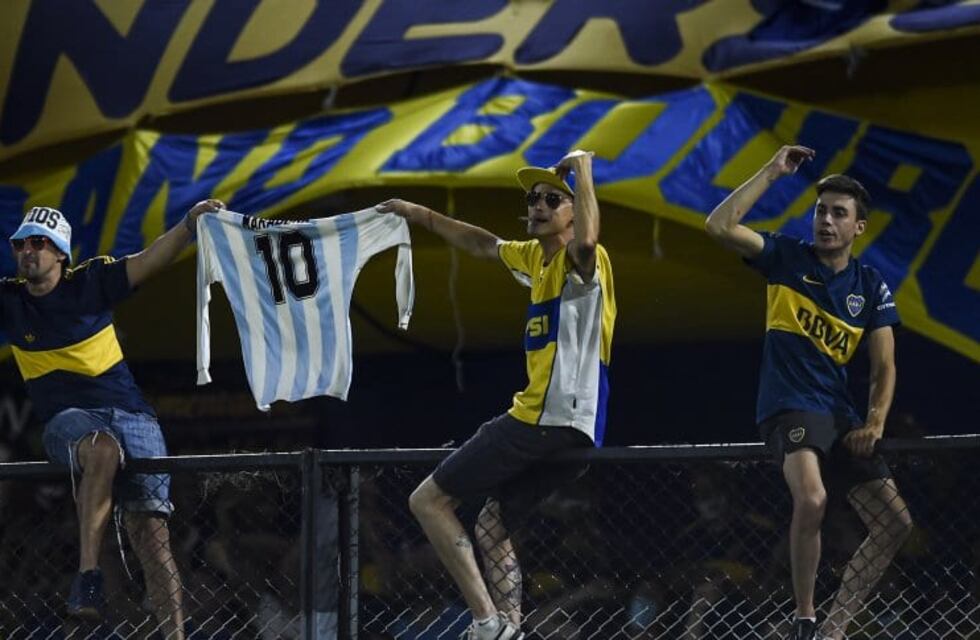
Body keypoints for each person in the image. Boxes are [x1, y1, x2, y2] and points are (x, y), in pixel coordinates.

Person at [376, 148, 616, 640]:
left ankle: (486, 623)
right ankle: (511, 627)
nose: (539, 205)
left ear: (574, 212)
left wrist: (584, 170)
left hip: (546, 418)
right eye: (533, 198)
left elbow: (589, 241)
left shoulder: (583, 261)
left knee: (428, 502)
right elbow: (483, 244)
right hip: (573, 429)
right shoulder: (536, 258)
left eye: (553, 199)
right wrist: (417, 213)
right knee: (491, 527)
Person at [704, 145, 913, 640]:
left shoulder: (871, 285)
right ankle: (805, 618)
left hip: (839, 415)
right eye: (821, 210)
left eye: (838, 213)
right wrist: (773, 171)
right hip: (788, 407)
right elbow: (717, 226)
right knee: (813, 499)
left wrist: (875, 422)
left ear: (857, 227)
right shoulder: (784, 257)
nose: (825, 220)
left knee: (895, 523)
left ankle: (835, 628)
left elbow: (884, 365)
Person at [1, 199, 224, 638]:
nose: (28, 250)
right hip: (68, 420)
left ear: (60, 252)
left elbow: (149, 260)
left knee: (153, 539)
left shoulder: (92, 282)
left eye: (39, 243)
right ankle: (88, 578)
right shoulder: (9, 300)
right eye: (20, 243)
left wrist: (188, 223)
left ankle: (174, 636)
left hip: (133, 415)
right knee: (101, 448)